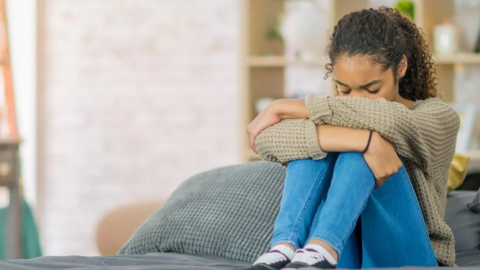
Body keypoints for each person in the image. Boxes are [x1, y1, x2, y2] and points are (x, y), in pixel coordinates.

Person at [244, 6, 460, 270]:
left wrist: (283, 106)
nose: (357, 99)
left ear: (400, 67)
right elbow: (265, 139)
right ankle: (285, 246)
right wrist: (366, 141)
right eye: (344, 89)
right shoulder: (342, 117)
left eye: (372, 88)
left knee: (354, 145)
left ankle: (324, 244)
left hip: (410, 253)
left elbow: (389, 119)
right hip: (344, 256)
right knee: (324, 146)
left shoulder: (438, 116)